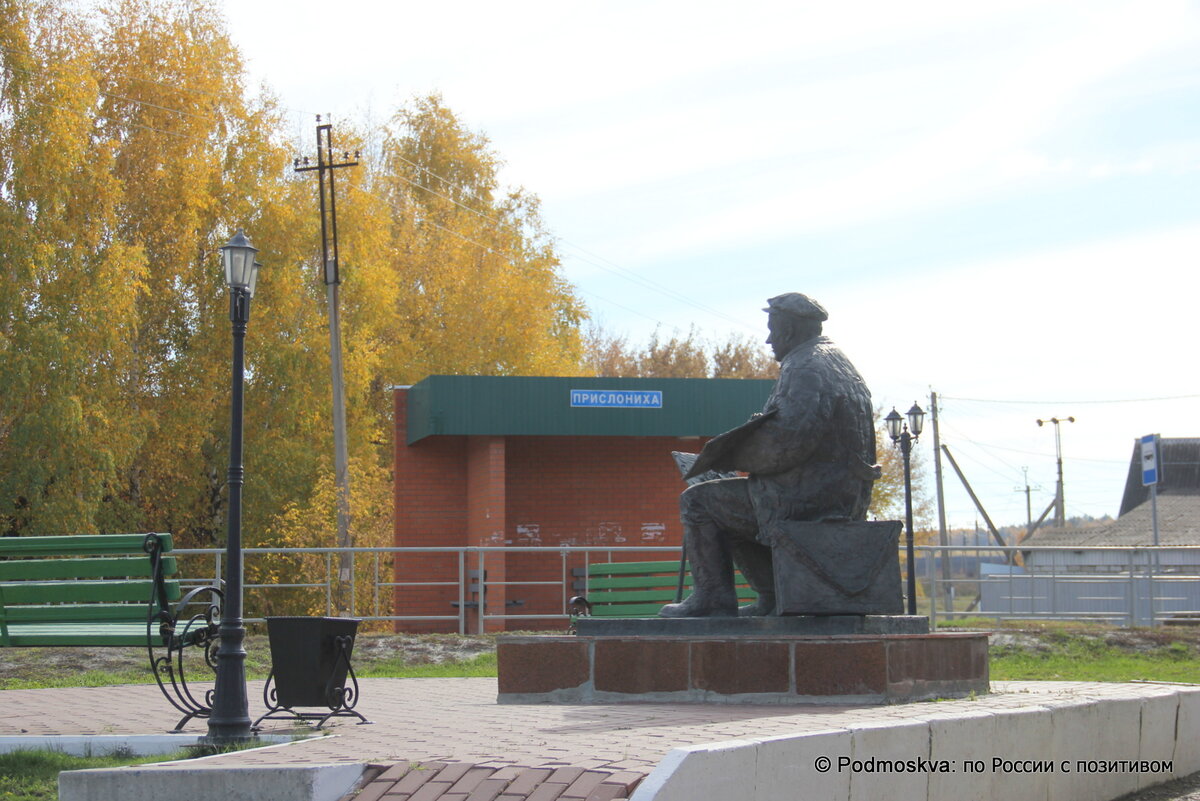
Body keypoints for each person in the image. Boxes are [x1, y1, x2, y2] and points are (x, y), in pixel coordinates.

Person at [659, 293, 879, 617]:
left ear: (788, 330)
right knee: (728, 504)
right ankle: (773, 597)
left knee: (699, 501)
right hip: (839, 494)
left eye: (772, 331)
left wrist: (731, 455)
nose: (768, 340)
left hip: (808, 498)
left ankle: (712, 598)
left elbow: (789, 442)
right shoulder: (839, 363)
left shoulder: (805, 366)